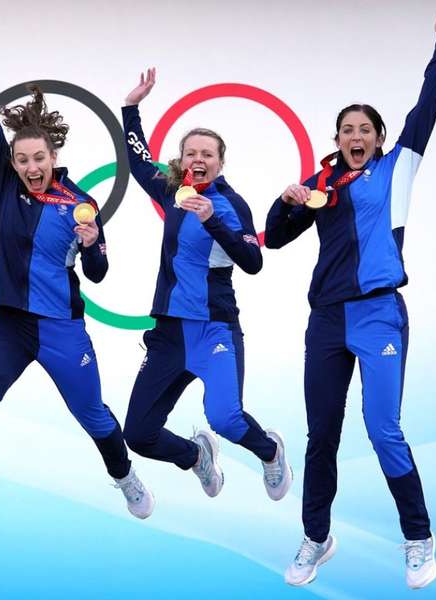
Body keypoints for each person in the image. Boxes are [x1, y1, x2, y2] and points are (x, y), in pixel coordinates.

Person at [264, 13, 436, 589]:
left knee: (383, 430)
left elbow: (427, 109)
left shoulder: (397, 169)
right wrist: (288, 200)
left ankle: (419, 538)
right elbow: (274, 238)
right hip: (325, 319)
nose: (355, 136)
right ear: (338, 139)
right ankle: (317, 538)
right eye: (346, 129)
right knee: (320, 433)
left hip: (377, 314)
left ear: (377, 138)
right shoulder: (323, 185)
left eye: (364, 129)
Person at [0, 24, 153, 519]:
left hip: (60, 327)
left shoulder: (81, 204)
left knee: (91, 413)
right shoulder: (7, 183)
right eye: (22, 159)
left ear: (54, 158)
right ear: (13, 162)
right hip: (10, 321)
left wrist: (93, 246)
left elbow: (97, 273)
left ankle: (125, 475)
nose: (31, 166)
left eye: (39, 158)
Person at [120, 69, 292, 502]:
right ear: (180, 160)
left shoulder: (229, 204)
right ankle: (195, 457)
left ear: (220, 162)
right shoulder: (172, 191)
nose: (198, 158)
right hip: (169, 333)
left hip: (214, 327)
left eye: (207, 154)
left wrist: (210, 219)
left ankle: (270, 452)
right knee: (138, 434)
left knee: (227, 419)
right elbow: (138, 160)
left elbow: (253, 261)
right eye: (190, 152)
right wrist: (130, 108)